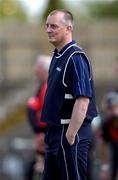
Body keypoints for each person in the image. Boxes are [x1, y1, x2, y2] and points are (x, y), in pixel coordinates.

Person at [41, 9, 97, 180]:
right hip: (55, 134)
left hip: (70, 134)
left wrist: (70, 136)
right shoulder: (58, 55)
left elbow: (83, 100)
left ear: (68, 28)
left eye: (54, 26)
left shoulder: (75, 57)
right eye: (47, 26)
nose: (48, 30)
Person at [26, 55, 51, 179]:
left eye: (38, 67)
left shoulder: (48, 86)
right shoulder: (42, 86)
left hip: (47, 135)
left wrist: (41, 133)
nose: (35, 70)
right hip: (42, 134)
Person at [99, 92, 118, 180]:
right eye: (110, 108)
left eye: (116, 107)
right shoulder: (107, 124)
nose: (114, 111)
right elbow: (104, 145)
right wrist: (104, 168)